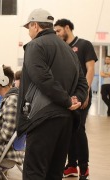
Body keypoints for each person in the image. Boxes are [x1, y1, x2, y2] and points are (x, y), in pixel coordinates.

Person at [17, 9, 88, 180]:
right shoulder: (69, 49)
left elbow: (42, 78)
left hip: (43, 118)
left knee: (35, 172)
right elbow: (82, 82)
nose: (28, 31)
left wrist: (66, 100)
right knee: (54, 172)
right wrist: (75, 100)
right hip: (66, 120)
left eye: (29, 27)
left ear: (35, 25)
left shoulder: (35, 46)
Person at [54, 18, 98, 180]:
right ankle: (71, 165)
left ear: (67, 28)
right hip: (66, 98)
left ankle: (84, 168)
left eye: (58, 30)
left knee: (79, 130)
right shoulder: (62, 48)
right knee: (69, 130)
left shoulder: (85, 45)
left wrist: (84, 93)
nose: (56, 34)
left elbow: (91, 69)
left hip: (81, 96)